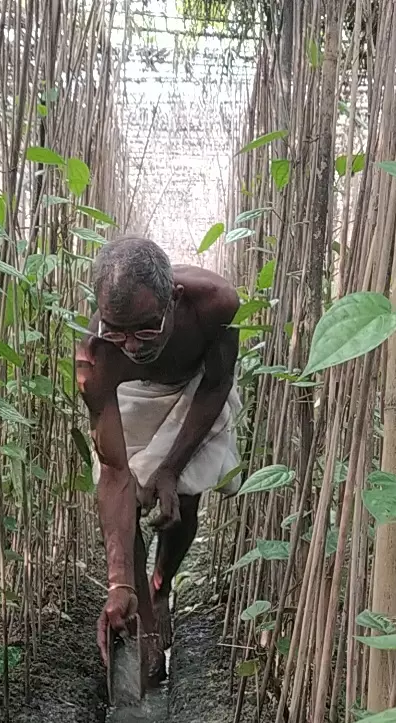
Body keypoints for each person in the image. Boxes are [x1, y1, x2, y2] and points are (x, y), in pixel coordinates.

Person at [74, 236, 241, 681]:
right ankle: (143, 618)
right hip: (131, 397)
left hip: (195, 388)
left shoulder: (215, 304)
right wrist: (117, 583)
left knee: (182, 501)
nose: (131, 345)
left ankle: (162, 583)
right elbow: (113, 472)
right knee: (132, 502)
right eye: (116, 331)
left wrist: (170, 468)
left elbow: (216, 384)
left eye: (146, 329)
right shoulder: (96, 357)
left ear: (174, 298)